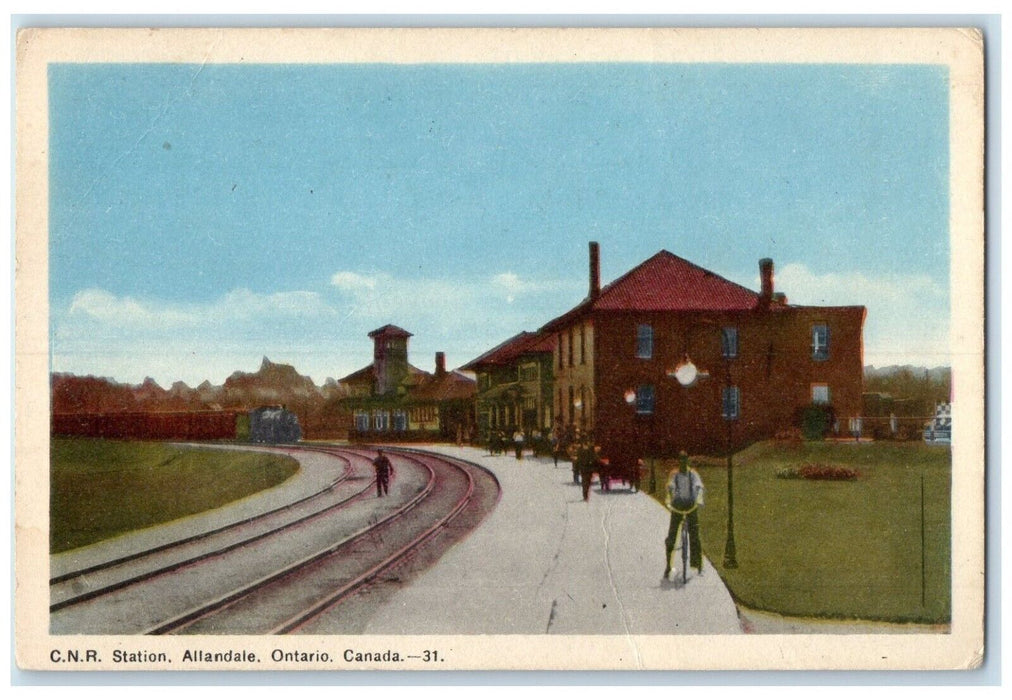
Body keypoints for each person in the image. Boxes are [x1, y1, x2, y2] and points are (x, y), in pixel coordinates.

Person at [663, 451, 704, 578]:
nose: (682, 462)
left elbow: (698, 486)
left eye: (684, 460)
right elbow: (670, 486)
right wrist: (669, 498)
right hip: (678, 506)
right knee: (671, 536)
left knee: (694, 534)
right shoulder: (674, 475)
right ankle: (668, 566)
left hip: (691, 506)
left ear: (687, 461)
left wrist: (699, 499)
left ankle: (696, 562)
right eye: (680, 460)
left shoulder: (692, 474)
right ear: (678, 461)